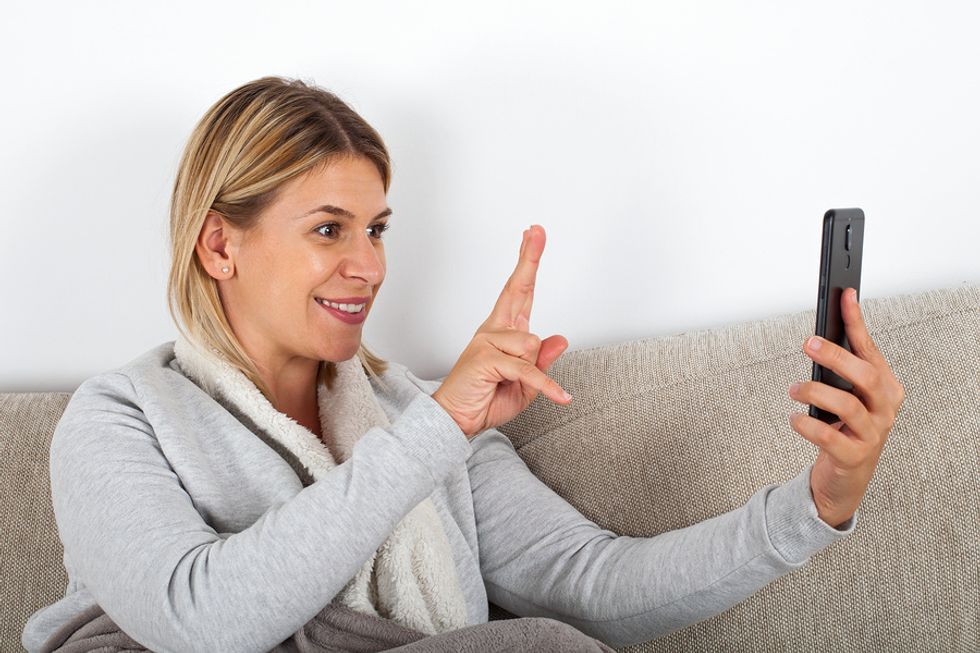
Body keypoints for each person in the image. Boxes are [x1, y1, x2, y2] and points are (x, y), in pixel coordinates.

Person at [22, 76, 905, 653]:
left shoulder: (419, 416)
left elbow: (593, 584)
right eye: (329, 227)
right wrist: (438, 428)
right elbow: (200, 621)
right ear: (220, 242)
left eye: (376, 229)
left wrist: (818, 504)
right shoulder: (119, 418)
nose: (367, 264)